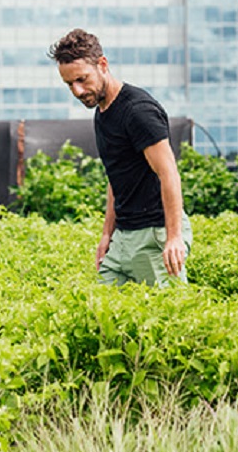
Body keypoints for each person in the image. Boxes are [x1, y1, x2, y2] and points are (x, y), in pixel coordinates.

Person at [48, 28, 191, 287]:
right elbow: (117, 175)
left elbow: (168, 172)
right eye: (69, 84)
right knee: (101, 317)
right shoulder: (102, 112)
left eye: (82, 79)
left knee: (170, 318)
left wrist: (173, 237)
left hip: (154, 234)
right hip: (123, 237)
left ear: (103, 64)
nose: (77, 91)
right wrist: (107, 235)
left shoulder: (138, 111)